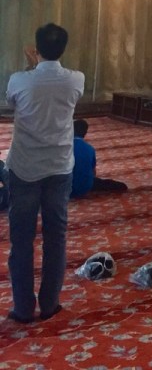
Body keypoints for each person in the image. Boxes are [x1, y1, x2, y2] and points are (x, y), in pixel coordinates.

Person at [5, 23, 85, 323]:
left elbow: (15, 98)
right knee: (56, 238)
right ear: (63, 49)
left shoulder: (19, 80)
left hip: (24, 168)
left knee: (22, 241)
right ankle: (50, 304)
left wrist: (30, 67)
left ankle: (23, 309)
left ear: (36, 49)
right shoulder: (76, 79)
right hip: (59, 167)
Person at [71, 120, 127, 198]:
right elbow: (93, 172)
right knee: (102, 183)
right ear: (85, 133)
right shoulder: (90, 148)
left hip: (67, 188)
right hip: (86, 186)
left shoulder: (65, 148)